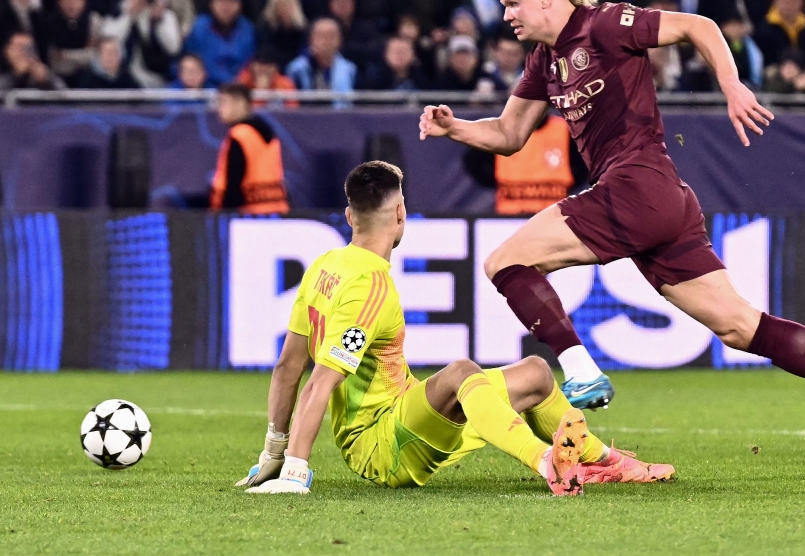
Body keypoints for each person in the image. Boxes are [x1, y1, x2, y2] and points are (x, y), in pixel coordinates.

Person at [418, 0, 805, 464]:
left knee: (503, 262)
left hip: (637, 185)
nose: (505, 15)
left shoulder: (606, 24)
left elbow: (698, 25)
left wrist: (731, 85)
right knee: (740, 327)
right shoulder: (545, 62)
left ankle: (579, 367)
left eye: (512, 2)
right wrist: (454, 126)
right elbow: (508, 134)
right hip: (660, 200)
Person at [236, 160, 672, 495]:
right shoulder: (370, 288)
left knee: (537, 374)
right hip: (381, 443)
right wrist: (294, 471)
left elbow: (287, 368)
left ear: (350, 216)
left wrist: (272, 452)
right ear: (401, 213)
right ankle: (546, 462)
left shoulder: (324, 266)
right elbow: (319, 383)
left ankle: (605, 461)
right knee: (462, 372)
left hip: (406, 415)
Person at [209, 82, 289, 214]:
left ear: (240, 103)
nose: (219, 109)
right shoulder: (269, 133)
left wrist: (225, 214)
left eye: (223, 103)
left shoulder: (239, 135)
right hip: (275, 209)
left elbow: (233, 184)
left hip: (247, 213)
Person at [101, 0, 183, 87]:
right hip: (122, 79)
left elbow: (173, 48)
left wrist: (158, 22)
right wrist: (129, 16)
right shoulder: (116, 12)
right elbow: (109, 43)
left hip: (157, 78)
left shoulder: (164, 15)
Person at [183, 0, 256, 87]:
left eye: (231, 1)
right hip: (206, 85)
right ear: (212, 4)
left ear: (239, 5)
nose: (226, 6)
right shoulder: (200, 27)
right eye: (221, 0)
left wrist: (239, 81)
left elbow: (249, 62)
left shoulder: (247, 28)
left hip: (240, 86)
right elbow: (194, 59)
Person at [45, 0, 101, 85]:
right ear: (59, 2)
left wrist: (65, 55)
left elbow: (94, 56)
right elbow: (53, 60)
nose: (71, 4)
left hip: (88, 78)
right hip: (57, 77)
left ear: (84, 1)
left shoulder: (93, 21)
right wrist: (83, 54)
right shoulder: (48, 23)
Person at [284, 17, 357, 95]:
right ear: (310, 39)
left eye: (331, 35)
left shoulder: (350, 70)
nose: (326, 40)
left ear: (340, 40)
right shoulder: (295, 69)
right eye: (321, 35)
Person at [257, 0, 308, 70]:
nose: (284, 9)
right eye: (281, 6)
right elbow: (266, 51)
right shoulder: (265, 28)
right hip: (274, 67)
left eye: (288, 5)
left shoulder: (302, 29)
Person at [359, 36, 430, 91]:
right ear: (385, 55)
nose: (399, 55)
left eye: (404, 51)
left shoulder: (423, 78)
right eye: (395, 51)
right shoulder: (373, 80)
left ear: (414, 55)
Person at [0, 31, 65, 89]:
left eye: (27, 48)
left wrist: (46, 80)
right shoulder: (4, 74)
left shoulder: (42, 75)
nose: (22, 53)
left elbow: (64, 93)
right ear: (7, 51)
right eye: (18, 47)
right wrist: (18, 76)